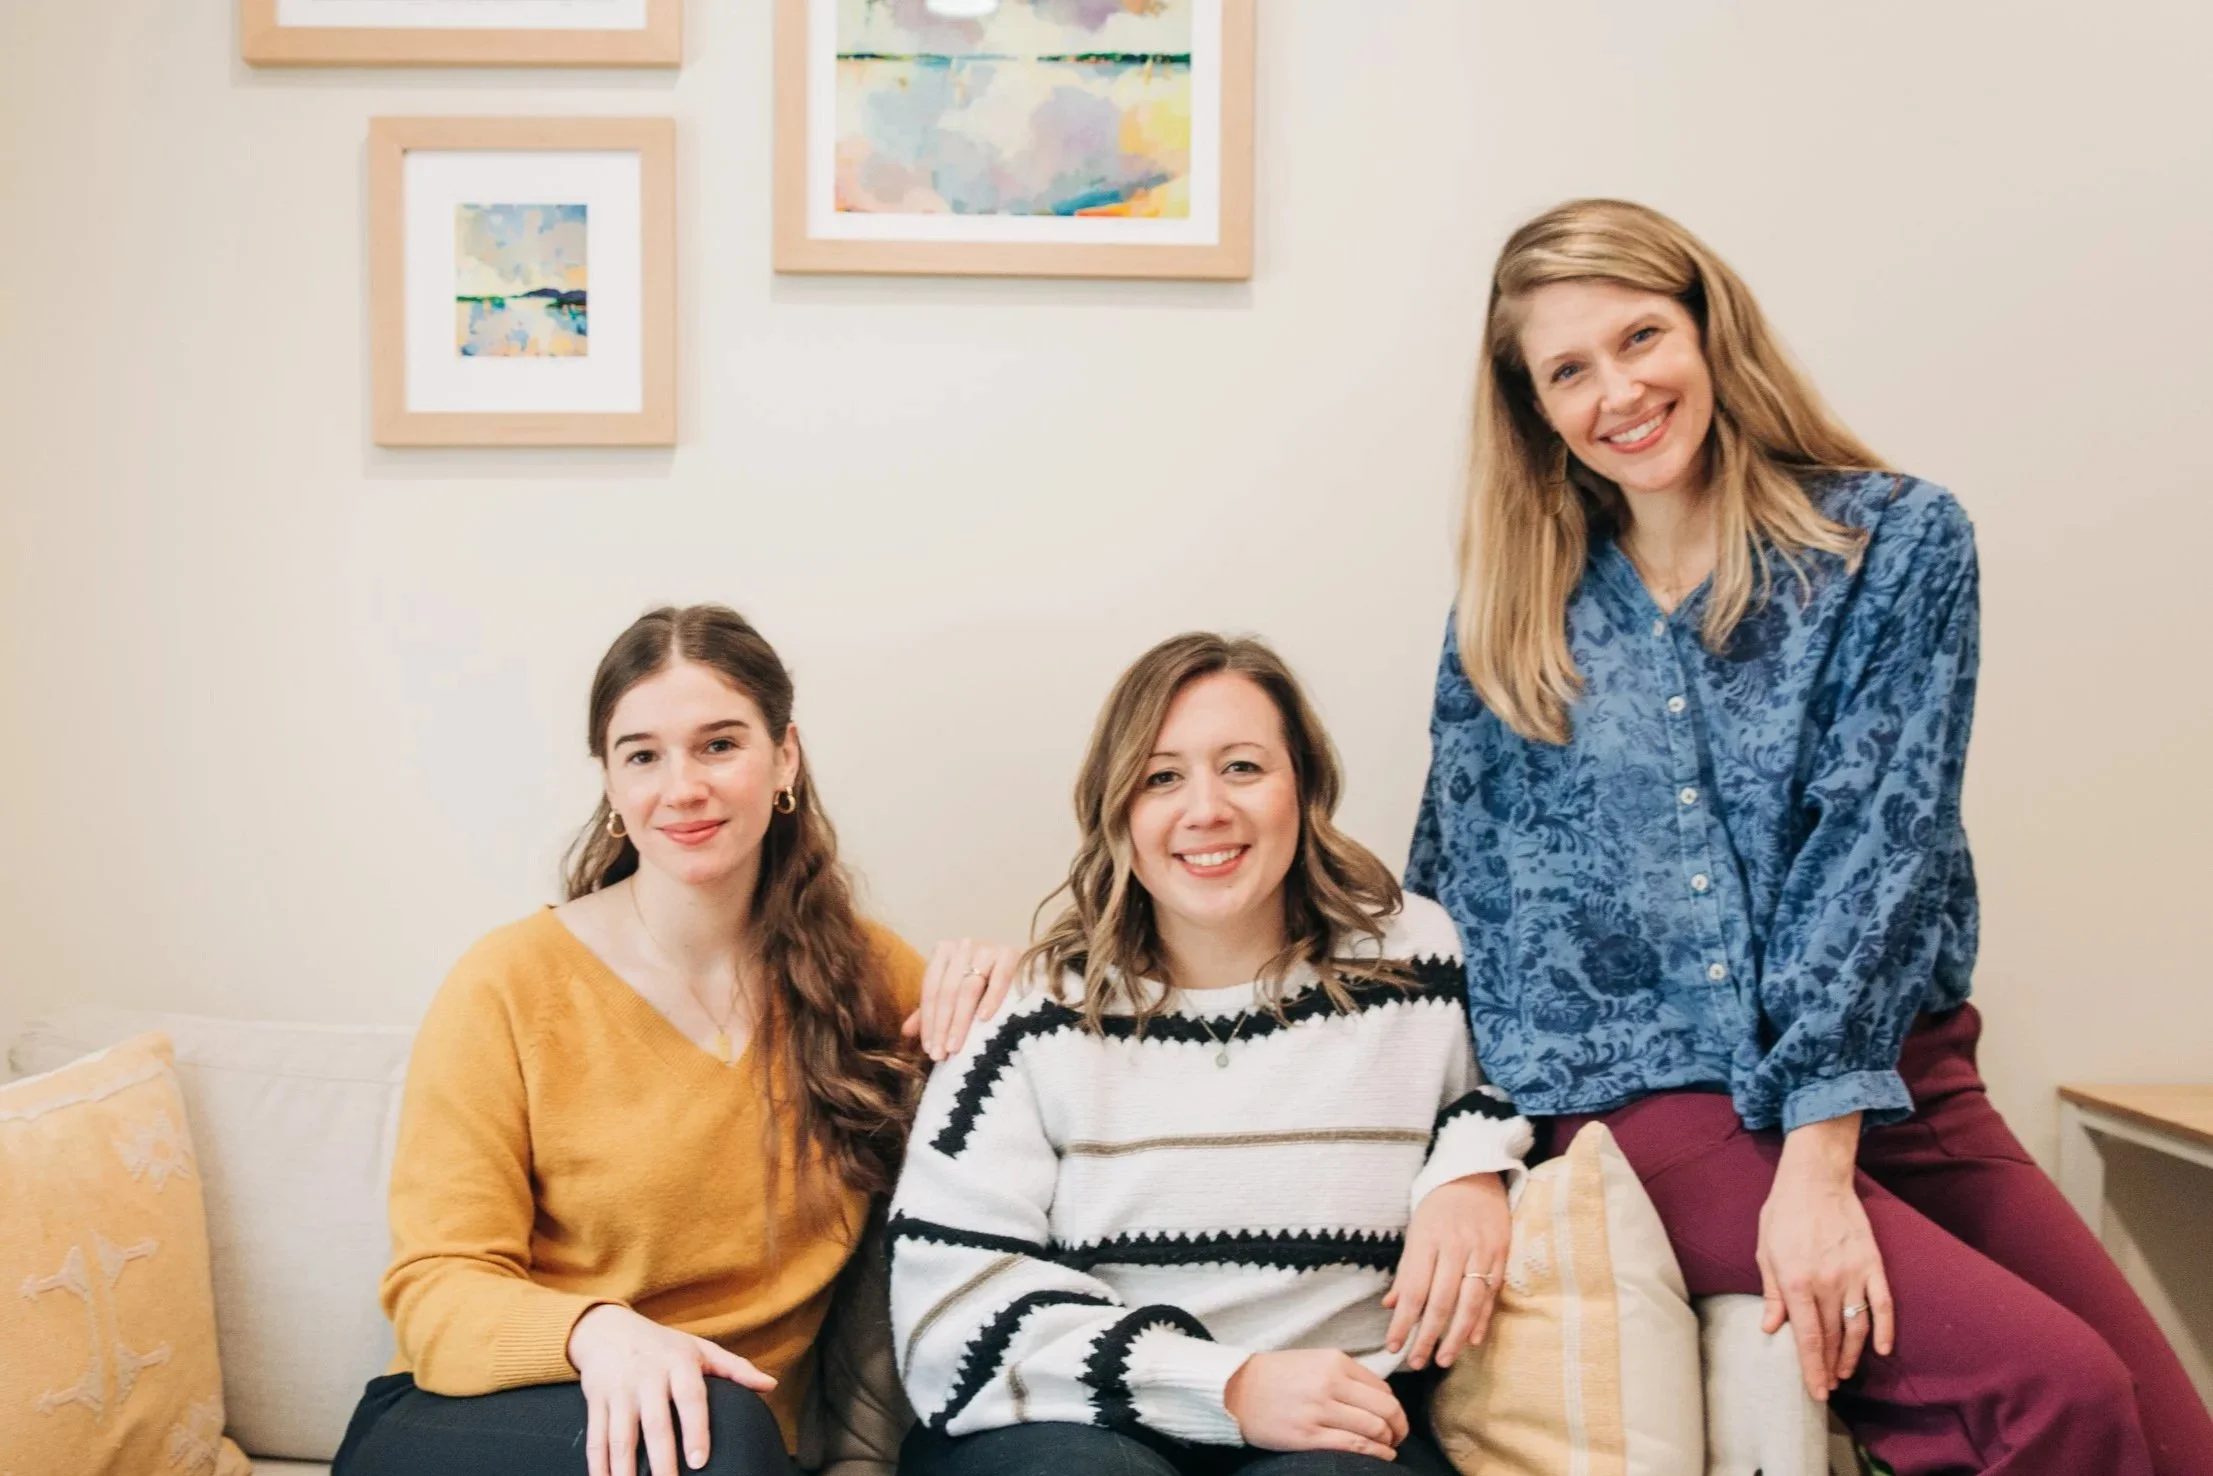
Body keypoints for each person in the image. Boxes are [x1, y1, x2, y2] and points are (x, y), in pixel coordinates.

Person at [1407, 198, 2213, 1474]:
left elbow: (1876, 852)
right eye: (1567, 370)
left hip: (1890, 1075)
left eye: (1639, 337)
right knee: (2053, 1396)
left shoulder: (1894, 545)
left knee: (2174, 1441)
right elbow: (1453, 899)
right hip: (1653, 1099)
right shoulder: (1512, 618)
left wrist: (1819, 1161)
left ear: (1708, 330)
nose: (1617, 390)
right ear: (1533, 410)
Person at [891, 633, 1532, 1476]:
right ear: (1117, 808)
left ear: (1302, 787)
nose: (1205, 811)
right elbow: (949, 1303)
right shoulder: (1031, 1017)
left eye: (1241, 767)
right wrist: (1225, 1386)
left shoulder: (1412, 963)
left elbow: (1507, 1087)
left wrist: (1470, 1170)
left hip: (1334, 1427)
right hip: (1081, 1420)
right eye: (1162, 778)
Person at [333, 605, 930, 1476]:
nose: (681, 787)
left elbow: (1034, 1091)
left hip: (724, 1435)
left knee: (716, 1430)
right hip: (486, 1419)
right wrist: (594, 1332)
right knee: (713, 1434)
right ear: (611, 784)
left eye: (719, 745)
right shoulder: (507, 983)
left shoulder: (872, 978)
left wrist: (987, 987)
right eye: (643, 755)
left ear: (785, 758)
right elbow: (434, 1289)